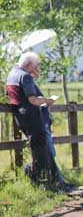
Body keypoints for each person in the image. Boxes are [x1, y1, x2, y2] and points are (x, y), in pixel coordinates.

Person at [6, 52, 62, 188]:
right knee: (40, 150)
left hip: (22, 115)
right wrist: (48, 101)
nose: (38, 67)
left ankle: (54, 180)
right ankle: (36, 176)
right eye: (37, 65)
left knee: (41, 148)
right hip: (31, 116)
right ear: (30, 65)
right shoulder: (25, 76)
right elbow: (33, 100)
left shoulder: (13, 73)